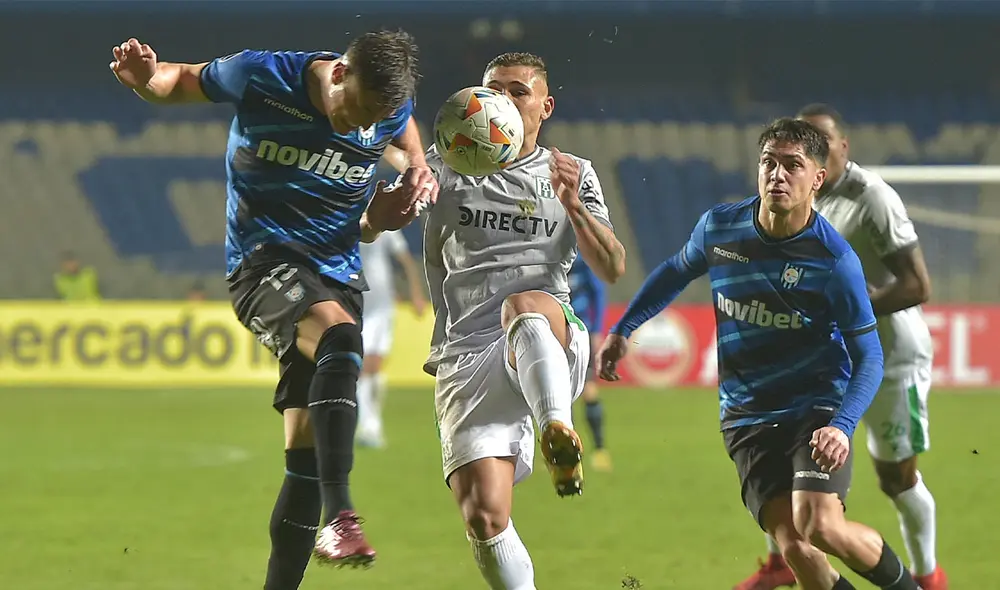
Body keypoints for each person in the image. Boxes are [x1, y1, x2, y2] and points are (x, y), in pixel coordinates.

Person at [109, 30, 438, 588]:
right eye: (355, 110)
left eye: (372, 119)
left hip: (337, 270)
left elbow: (403, 133)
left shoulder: (384, 106)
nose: (358, 128)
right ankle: (342, 516)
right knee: (340, 338)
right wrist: (147, 82)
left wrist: (415, 167)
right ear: (339, 73)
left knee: (304, 459)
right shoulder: (264, 75)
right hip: (264, 261)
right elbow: (181, 79)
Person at [599, 118, 921, 590]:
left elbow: (869, 355)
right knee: (796, 549)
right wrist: (624, 327)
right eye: (769, 163)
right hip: (747, 414)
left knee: (820, 525)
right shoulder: (720, 228)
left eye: (792, 165)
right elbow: (675, 270)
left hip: (815, 406)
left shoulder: (833, 260)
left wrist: (842, 425)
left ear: (817, 178)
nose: (777, 175)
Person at [420, 52, 626, 589]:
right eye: (493, 90)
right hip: (468, 348)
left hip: (548, 338)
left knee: (524, 306)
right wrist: (393, 200)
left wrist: (573, 205)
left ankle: (558, 427)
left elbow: (612, 266)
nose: (502, 101)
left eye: (517, 91)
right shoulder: (446, 164)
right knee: (485, 517)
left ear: (545, 106)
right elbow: (379, 221)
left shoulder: (572, 172)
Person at [734, 104, 947, 590]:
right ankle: (781, 562)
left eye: (823, 142)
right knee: (784, 457)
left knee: (896, 478)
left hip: (888, 357)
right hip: (824, 362)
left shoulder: (872, 197)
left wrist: (844, 310)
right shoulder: (793, 196)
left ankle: (928, 575)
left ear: (842, 148)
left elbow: (917, 285)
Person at [356, 229, 427, 448]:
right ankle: (369, 426)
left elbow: (406, 259)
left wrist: (416, 294)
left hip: (382, 304)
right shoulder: (348, 219)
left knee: (375, 365)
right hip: (358, 302)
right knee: (364, 365)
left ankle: (372, 424)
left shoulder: (385, 225)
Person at [568, 256, 611, 470]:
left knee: (589, 390)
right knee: (559, 395)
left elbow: (598, 292)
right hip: (553, 332)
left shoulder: (581, 259)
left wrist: (596, 330)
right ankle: (565, 454)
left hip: (580, 332)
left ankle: (599, 449)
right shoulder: (546, 257)